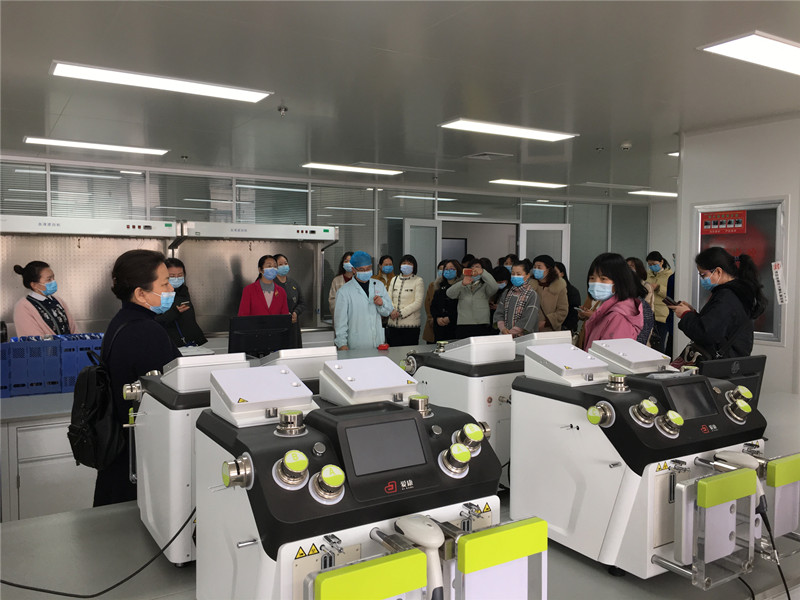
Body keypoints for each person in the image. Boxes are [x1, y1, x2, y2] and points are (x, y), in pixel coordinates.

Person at [96, 250, 181, 506]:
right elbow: (168, 393)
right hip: (139, 459)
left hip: (120, 456)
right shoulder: (145, 331)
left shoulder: (123, 321)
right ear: (140, 294)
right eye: (164, 284)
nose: (171, 289)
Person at [669, 247, 766, 359]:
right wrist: (692, 313)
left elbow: (706, 334)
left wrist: (685, 315)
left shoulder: (727, 297)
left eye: (703, 275)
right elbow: (718, 325)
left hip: (723, 363)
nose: (701, 279)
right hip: (732, 361)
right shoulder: (737, 292)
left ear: (718, 271)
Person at [581, 253, 645, 350]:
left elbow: (610, 355)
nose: (596, 283)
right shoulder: (607, 306)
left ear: (619, 281)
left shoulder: (619, 317)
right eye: (592, 278)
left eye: (603, 279)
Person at [334, 251, 393, 350]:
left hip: (378, 343)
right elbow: (340, 323)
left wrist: (381, 303)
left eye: (368, 268)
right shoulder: (344, 292)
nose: (366, 272)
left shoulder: (379, 285)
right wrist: (342, 344)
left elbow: (388, 311)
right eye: (361, 269)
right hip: (357, 344)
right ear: (353, 269)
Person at [13, 261, 77, 336]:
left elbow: (74, 330)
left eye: (53, 278)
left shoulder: (58, 301)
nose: (53, 282)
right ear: (34, 285)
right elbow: (33, 339)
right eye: (49, 279)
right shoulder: (23, 307)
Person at [154, 258, 207, 347]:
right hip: (170, 343)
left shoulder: (183, 290)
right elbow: (154, 322)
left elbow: (189, 319)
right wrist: (174, 312)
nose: (176, 279)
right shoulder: (156, 294)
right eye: (172, 276)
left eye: (180, 275)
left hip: (191, 343)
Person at [446, 258, 498, 338]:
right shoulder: (461, 283)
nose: (474, 269)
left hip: (481, 323)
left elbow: (495, 287)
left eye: (477, 267)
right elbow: (449, 294)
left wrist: (483, 273)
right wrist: (462, 283)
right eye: (472, 267)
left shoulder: (485, 285)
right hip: (464, 323)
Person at [386, 254, 425, 346]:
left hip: (410, 327)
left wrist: (400, 313)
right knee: (393, 351)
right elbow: (388, 298)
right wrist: (392, 310)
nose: (406, 265)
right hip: (392, 325)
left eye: (409, 263)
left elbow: (418, 303)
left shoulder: (418, 280)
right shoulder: (394, 279)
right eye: (404, 263)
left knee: (408, 351)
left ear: (414, 266)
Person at [494, 261, 540, 338]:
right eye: (513, 274)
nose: (515, 276)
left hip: (524, 338)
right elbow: (499, 312)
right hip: (505, 336)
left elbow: (530, 317)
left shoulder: (532, 294)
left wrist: (513, 332)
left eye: (518, 274)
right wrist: (503, 328)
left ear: (527, 276)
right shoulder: (507, 292)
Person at [275, 253, 307, 348]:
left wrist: (296, 312)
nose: (284, 266)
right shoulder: (271, 284)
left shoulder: (293, 283)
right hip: (277, 326)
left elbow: (302, 302)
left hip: (293, 325)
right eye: (280, 264)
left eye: (285, 263)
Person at [530, 254, 569, 332]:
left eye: (539, 267)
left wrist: (547, 322)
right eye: (534, 267)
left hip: (550, 331)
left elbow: (563, 310)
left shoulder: (559, 286)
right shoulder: (529, 285)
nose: (536, 270)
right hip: (530, 329)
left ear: (549, 269)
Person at [646, 251, 675, 355]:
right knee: (648, 342)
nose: (652, 267)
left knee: (659, 343)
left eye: (654, 264)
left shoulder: (669, 275)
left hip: (662, 315)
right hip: (649, 313)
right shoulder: (648, 274)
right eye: (650, 265)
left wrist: (658, 287)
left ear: (661, 262)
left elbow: (671, 294)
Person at [430, 260, 462, 342]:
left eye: (451, 269)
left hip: (455, 326)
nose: (448, 271)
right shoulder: (439, 286)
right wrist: (437, 317)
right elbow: (433, 305)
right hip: (439, 326)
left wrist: (450, 318)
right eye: (446, 269)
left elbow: (461, 306)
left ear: (458, 271)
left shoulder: (461, 286)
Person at [422, 260, 447, 344]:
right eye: (440, 269)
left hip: (447, 323)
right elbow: (427, 303)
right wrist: (431, 318)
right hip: (432, 322)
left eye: (444, 269)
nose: (442, 272)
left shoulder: (453, 286)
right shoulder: (432, 285)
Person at [554, 261, 581, 334]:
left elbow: (574, 313)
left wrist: (565, 328)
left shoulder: (571, 291)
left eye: (554, 272)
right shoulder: (547, 290)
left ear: (562, 274)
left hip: (565, 330)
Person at [328, 251, 353, 317]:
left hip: (356, 317)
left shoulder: (359, 280)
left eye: (350, 261)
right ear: (342, 263)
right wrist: (342, 311)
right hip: (340, 316)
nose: (348, 263)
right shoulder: (336, 280)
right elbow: (332, 300)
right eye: (346, 261)